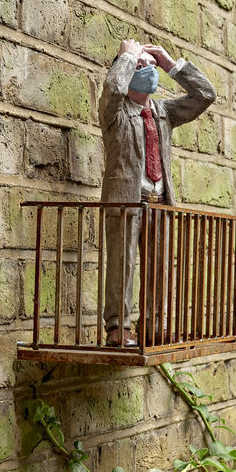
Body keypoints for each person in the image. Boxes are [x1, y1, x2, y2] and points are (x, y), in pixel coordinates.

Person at [98, 39, 216, 346]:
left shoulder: (164, 112)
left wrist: (170, 64)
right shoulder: (116, 113)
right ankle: (118, 328)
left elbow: (205, 95)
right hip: (126, 201)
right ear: (124, 71)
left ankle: (155, 324)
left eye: (152, 68)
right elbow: (111, 91)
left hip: (160, 201)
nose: (148, 72)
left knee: (159, 265)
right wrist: (127, 57)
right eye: (141, 67)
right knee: (122, 264)